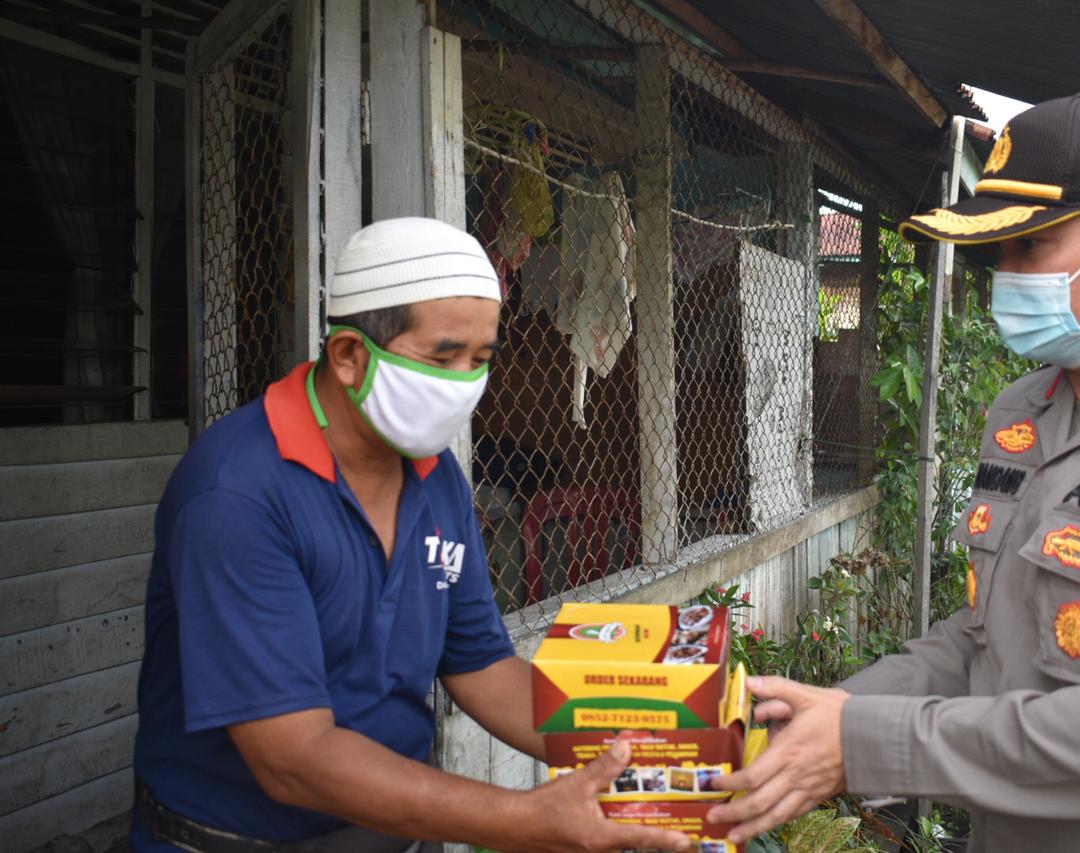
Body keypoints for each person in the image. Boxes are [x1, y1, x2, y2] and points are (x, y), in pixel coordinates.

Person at [707, 94, 1080, 852]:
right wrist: (826, 713)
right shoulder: (1023, 411)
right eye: (995, 253)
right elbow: (985, 645)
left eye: (1030, 245)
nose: (1006, 275)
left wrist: (870, 742)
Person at [131, 217, 690, 853]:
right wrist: (526, 819)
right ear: (348, 357)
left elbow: (481, 664)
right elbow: (293, 758)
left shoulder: (437, 478)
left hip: (403, 833)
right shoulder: (238, 494)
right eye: (442, 354)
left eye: (480, 359)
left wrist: (651, 747)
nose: (463, 382)